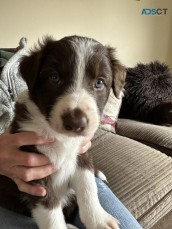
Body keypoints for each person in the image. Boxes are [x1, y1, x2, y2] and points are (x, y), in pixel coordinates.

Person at [0, 38, 143, 229]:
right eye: (55, 78)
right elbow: (35, 182)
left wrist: (91, 207)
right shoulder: (28, 119)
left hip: (69, 188)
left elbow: (80, 157)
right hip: (18, 201)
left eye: (99, 82)